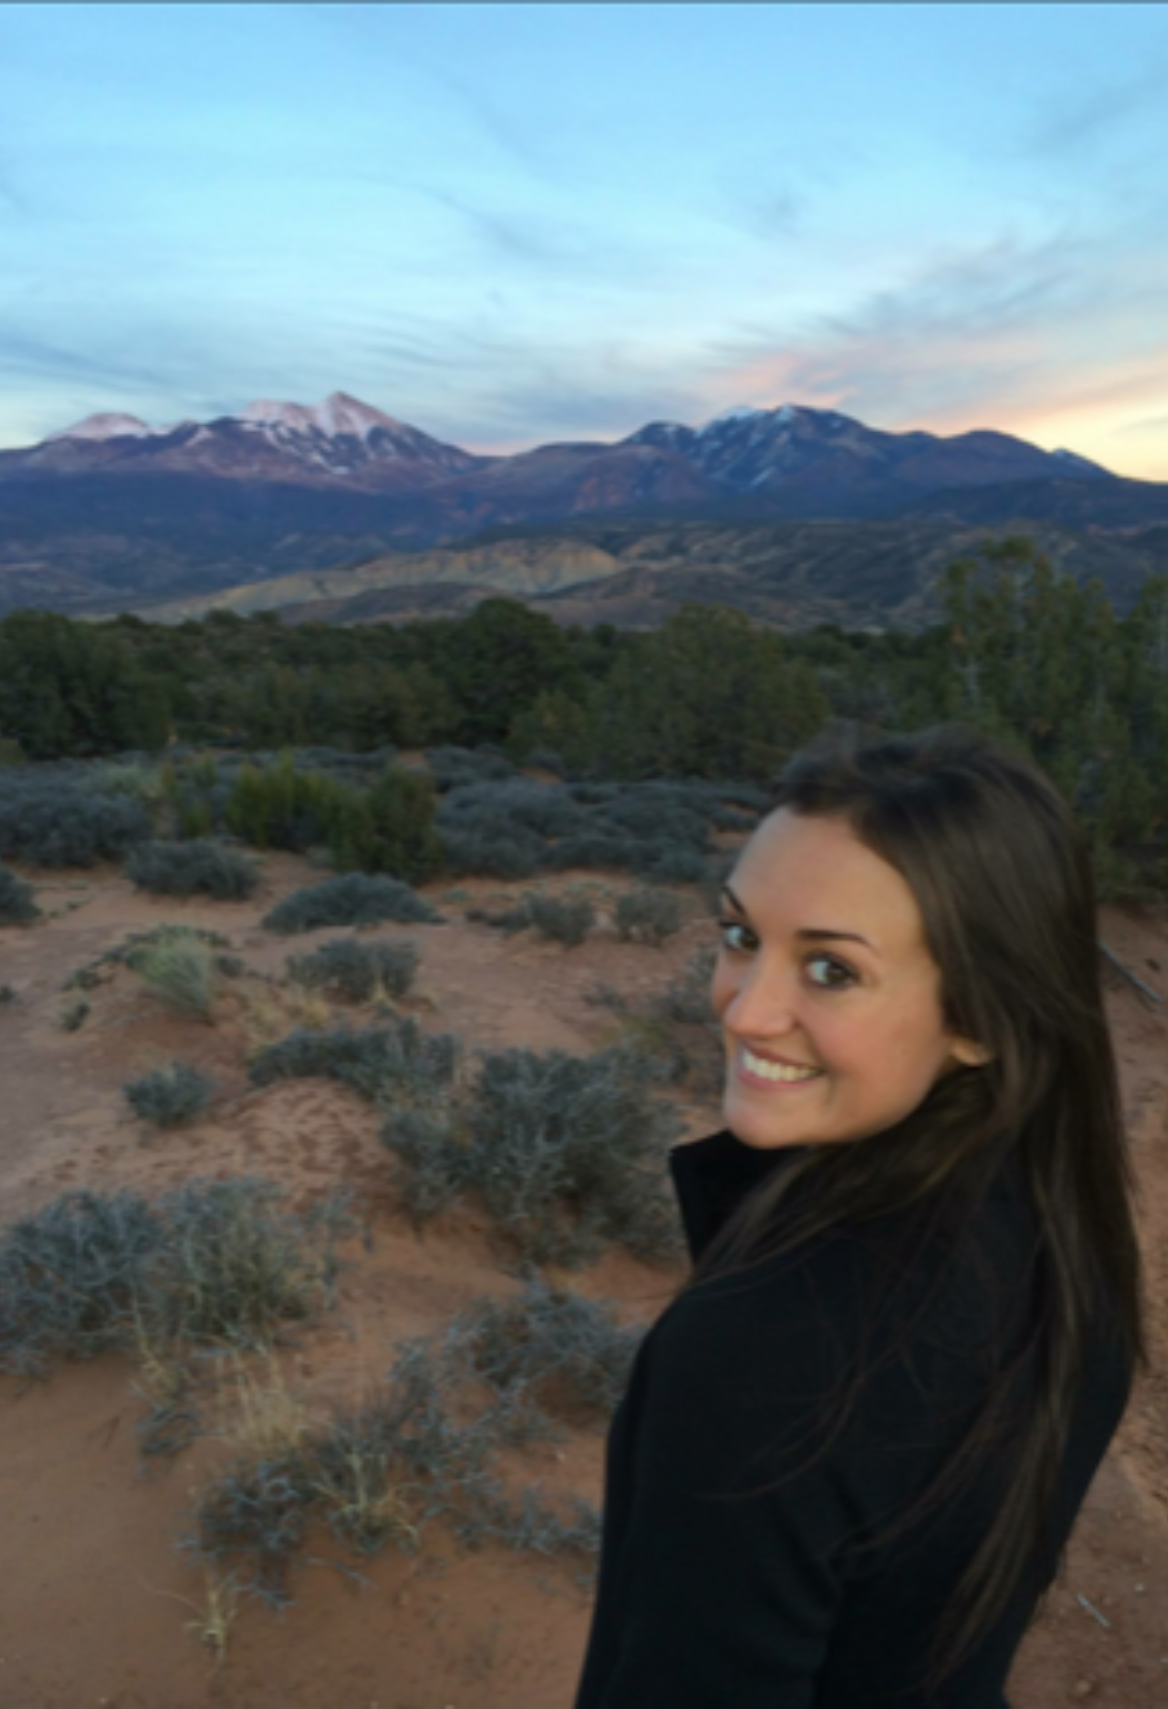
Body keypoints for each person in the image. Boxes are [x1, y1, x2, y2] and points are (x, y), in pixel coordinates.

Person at [572, 723, 1144, 1708]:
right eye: (742, 935)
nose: (745, 1008)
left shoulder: (765, 1353)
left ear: (977, 1017)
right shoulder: (1062, 1238)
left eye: (830, 968)